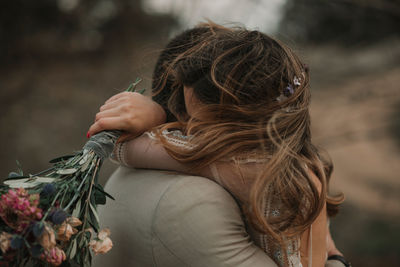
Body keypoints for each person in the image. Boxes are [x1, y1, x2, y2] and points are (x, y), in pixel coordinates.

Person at [89, 23, 350, 267]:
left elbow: (125, 148)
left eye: (199, 127)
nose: (189, 132)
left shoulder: (251, 171)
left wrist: (157, 115)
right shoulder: (298, 167)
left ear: (244, 126)